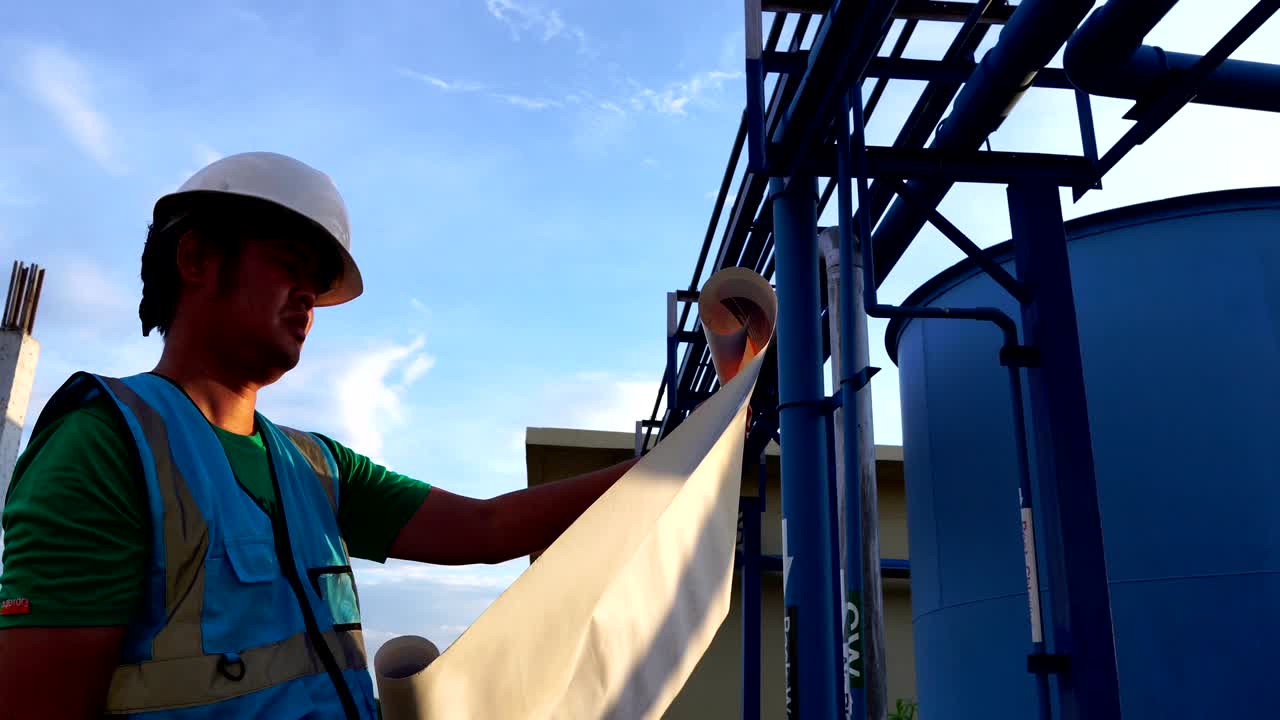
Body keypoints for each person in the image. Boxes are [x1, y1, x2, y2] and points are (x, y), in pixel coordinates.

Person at [0, 152, 638, 719]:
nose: (307, 297)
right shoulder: (104, 447)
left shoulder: (317, 467)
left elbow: (489, 527)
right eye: (288, 265)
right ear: (195, 258)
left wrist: (673, 455)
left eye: (318, 283)